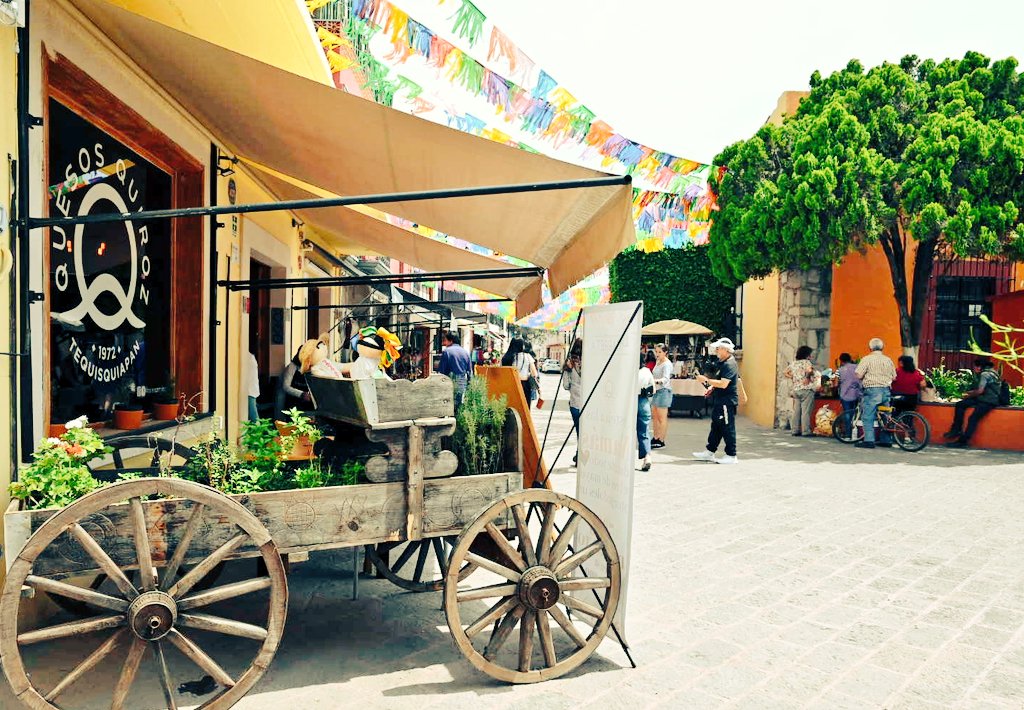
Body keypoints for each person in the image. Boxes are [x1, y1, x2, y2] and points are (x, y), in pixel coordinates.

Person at [693, 337, 742, 464]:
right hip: (720, 400)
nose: (716, 350)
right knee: (716, 426)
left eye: (718, 348)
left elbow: (724, 383)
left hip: (727, 401)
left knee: (727, 427)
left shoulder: (729, 364)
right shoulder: (723, 362)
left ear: (726, 350)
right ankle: (710, 452)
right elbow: (719, 380)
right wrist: (711, 387)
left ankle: (732, 455)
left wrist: (706, 380)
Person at [943, 358, 1001, 448]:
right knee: (960, 405)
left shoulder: (985, 374)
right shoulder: (993, 372)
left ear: (979, 367)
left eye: (975, 367)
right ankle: (956, 429)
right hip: (984, 398)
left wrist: (968, 395)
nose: (974, 369)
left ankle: (963, 441)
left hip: (988, 401)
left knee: (973, 418)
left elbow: (980, 391)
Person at [854, 337, 897, 449]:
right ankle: (886, 440)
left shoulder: (867, 359)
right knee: (885, 415)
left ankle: (869, 440)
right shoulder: (888, 360)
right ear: (882, 347)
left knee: (868, 416)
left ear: (870, 348)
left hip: (872, 390)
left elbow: (858, 374)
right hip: (886, 390)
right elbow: (894, 376)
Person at [275, 336, 327, 419]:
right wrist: (301, 394)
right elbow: (286, 386)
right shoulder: (292, 366)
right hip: (293, 400)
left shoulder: (315, 367)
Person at [783, 345, 818, 436]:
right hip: (806, 389)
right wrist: (806, 378)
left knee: (796, 411)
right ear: (807, 355)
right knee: (805, 412)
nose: (811, 356)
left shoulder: (794, 363)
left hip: (796, 389)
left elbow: (785, 372)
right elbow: (809, 371)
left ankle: (795, 430)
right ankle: (806, 431)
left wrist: (793, 377)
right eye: (810, 354)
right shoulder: (807, 362)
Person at [438, 331, 472, 409]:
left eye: (445, 340)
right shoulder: (465, 352)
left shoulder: (447, 352)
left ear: (451, 341)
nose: (444, 343)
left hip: (449, 381)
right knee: (460, 407)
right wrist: (469, 386)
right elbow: (470, 372)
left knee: (448, 407)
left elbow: (442, 371)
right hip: (462, 383)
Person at [562, 344, 583, 466]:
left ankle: (579, 454)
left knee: (579, 431)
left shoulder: (569, 365)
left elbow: (566, 386)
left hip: (575, 404)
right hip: (589, 404)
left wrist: (568, 370)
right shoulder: (591, 363)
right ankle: (579, 454)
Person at [650, 343, 673, 448]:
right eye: (656, 351)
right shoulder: (658, 361)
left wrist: (654, 381)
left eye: (660, 352)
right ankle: (655, 437)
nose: (657, 354)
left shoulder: (667, 364)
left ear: (665, 352)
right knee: (654, 416)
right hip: (656, 391)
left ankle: (661, 440)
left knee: (661, 418)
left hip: (664, 391)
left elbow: (665, 379)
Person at [501, 337, 538, 403]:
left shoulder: (506, 357)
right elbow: (535, 373)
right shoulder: (527, 356)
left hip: (511, 384)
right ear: (521, 346)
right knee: (525, 406)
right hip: (525, 384)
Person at [637, 355, 655, 471]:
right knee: (644, 431)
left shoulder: (628, 371)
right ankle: (647, 456)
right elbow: (653, 389)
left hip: (629, 401)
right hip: (643, 402)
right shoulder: (647, 371)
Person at [245, 352, 260, 421]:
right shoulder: (250, 357)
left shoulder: (247, 357)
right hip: (251, 390)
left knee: (254, 418)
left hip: (249, 391)